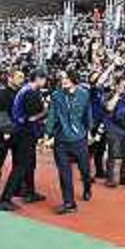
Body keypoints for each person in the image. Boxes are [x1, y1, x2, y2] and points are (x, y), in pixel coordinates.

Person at [0, 69, 48, 211]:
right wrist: (46, 111)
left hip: (23, 132)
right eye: (44, 79)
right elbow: (33, 117)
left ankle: (29, 192)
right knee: (21, 165)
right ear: (38, 79)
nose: (45, 82)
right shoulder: (30, 93)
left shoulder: (26, 90)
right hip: (24, 133)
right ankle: (5, 198)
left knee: (29, 163)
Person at [44, 70, 93, 214]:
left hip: (79, 138)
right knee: (64, 173)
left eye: (66, 78)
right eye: (62, 78)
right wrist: (47, 134)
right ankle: (69, 203)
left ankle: (87, 187)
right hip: (61, 140)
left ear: (73, 79)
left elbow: (87, 113)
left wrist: (89, 131)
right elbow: (52, 114)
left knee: (85, 169)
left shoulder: (84, 94)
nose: (63, 80)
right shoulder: (56, 96)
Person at [0, 69, 25, 202]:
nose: (22, 79)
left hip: (17, 134)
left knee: (18, 162)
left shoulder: (22, 94)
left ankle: (16, 188)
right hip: (2, 134)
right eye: (19, 77)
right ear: (10, 78)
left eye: (23, 77)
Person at [104, 76, 125, 188]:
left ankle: (124, 177)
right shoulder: (110, 94)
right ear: (117, 85)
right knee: (113, 153)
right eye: (123, 86)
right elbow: (109, 108)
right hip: (113, 127)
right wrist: (117, 94)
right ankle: (110, 178)